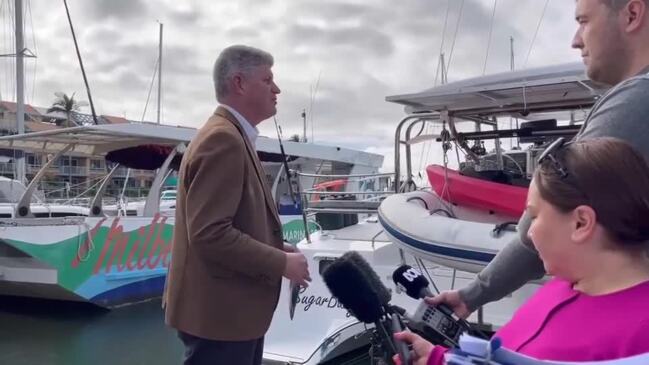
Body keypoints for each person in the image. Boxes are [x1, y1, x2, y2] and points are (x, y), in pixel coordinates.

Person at [431, 0, 649, 320]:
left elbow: (543, 227)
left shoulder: (638, 102)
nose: (576, 40)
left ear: (632, 14)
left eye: (584, 21)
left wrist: (474, 293)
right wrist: (471, 296)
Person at [394, 137, 649, 364]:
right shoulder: (564, 285)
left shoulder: (641, 336)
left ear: (581, 223)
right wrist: (439, 359)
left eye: (534, 216)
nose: (528, 233)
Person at [163, 45, 311, 365]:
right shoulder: (224, 140)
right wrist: (280, 263)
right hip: (221, 319)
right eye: (267, 80)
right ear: (240, 84)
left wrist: (275, 245)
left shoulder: (232, 135)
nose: (277, 89)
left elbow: (232, 221)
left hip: (226, 317)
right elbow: (209, 234)